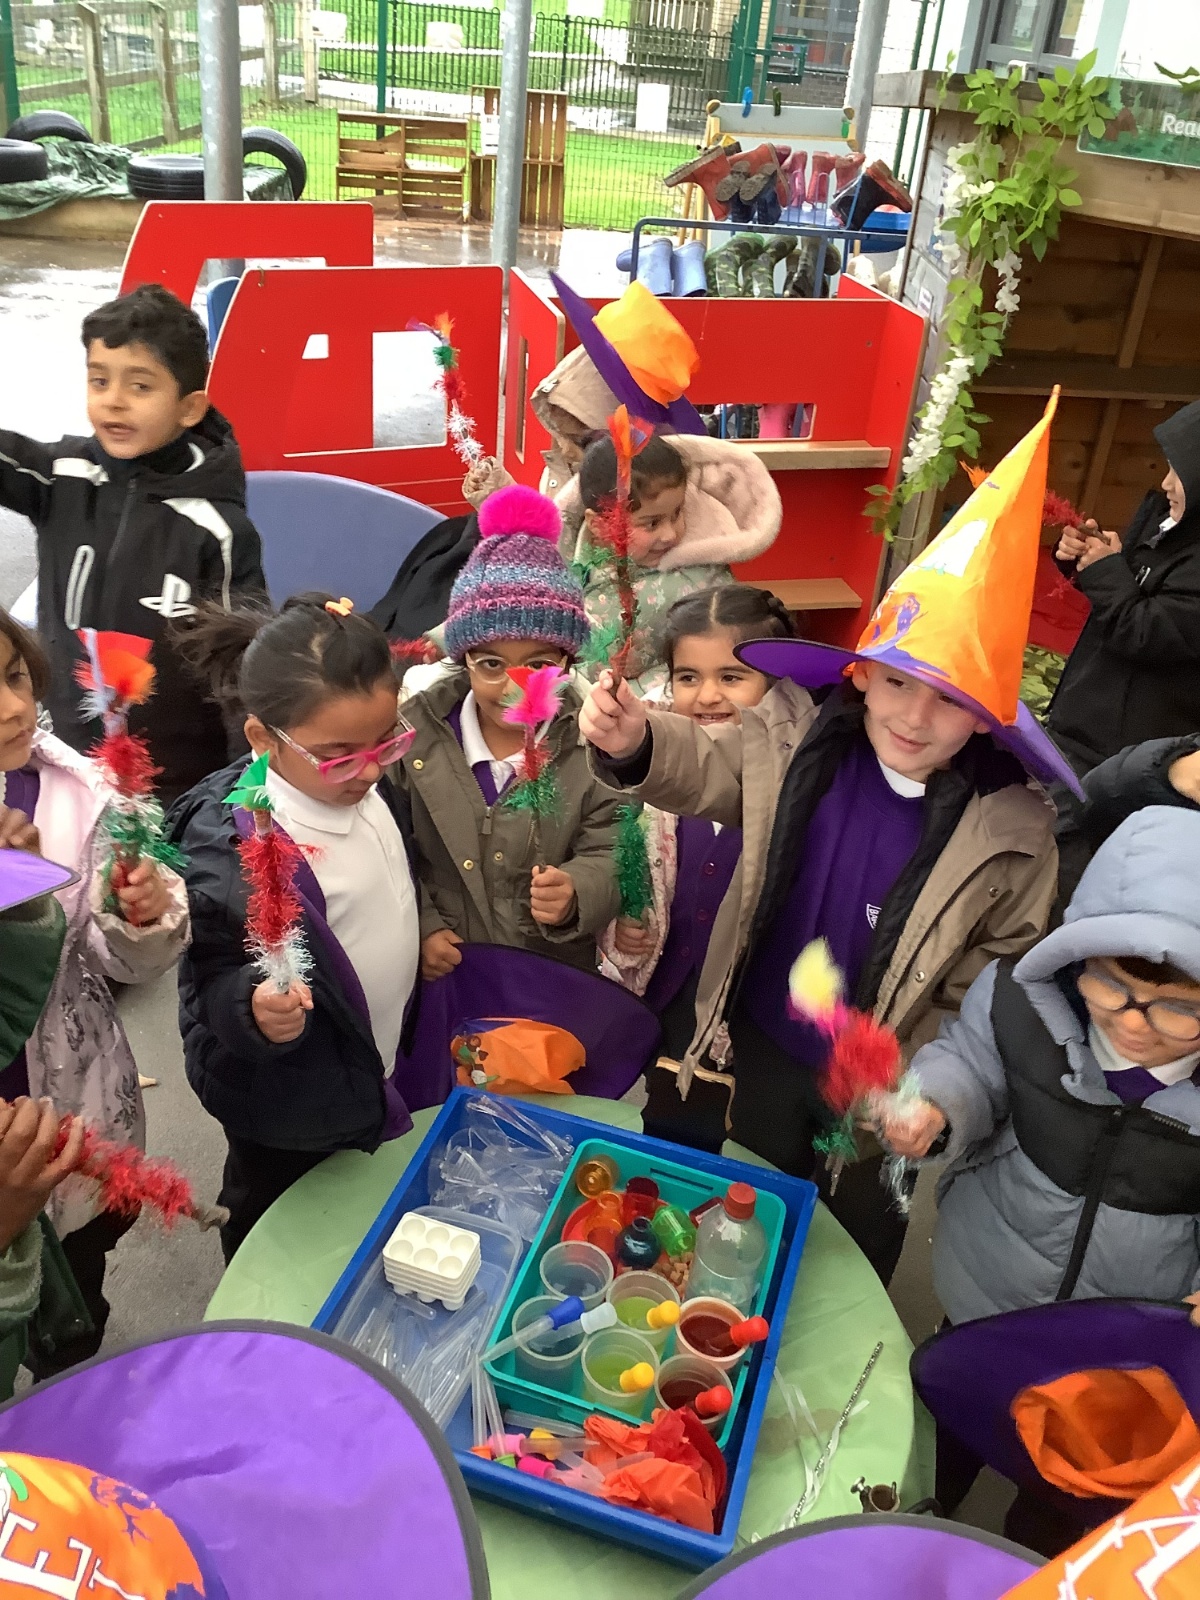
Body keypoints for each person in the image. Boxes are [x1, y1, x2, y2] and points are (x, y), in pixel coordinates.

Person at [581, 399, 1072, 1282]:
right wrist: (633, 741)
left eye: (952, 700)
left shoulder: (1014, 832)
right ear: (861, 676)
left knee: (852, 1246)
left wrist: (936, 1087)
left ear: (989, 717)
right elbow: (707, 766)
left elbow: (996, 986)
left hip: (883, 1089)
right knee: (747, 1215)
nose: (914, 717)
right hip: (764, 1042)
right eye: (898, 683)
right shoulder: (797, 742)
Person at [882, 806, 1200, 1542]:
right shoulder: (1021, 1005)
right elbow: (971, 1059)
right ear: (1078, 957)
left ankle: (1032, 1547)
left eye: (1177, 1010)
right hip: (990, 1289)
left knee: (1070, 1482)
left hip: (1118, 1337)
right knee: (945, 1425)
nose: (1133, 1022)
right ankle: (925, 1511)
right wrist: (936, 1104)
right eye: (1112, 986)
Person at [168, 594, 420, 1260]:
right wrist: (251, 1011)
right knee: (277, 1224)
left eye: (387, 741)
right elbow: (210, 972)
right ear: (262, 739)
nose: (371, 768)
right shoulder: (231, 854)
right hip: (289, 1103)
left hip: (369, 1064)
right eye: (340, 755)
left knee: (359, 1210)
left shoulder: (365, 787)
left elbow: (391, 875)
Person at [0, 606, 189, 1368]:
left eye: (14, 677)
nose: (12, 708)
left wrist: (140, 916)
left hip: (75, 1102)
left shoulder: (78, 794)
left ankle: (70, 1381)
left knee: (76, 1295)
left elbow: (120, 964)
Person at [0, 283, 266, 803]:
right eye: (99, 380)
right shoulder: (63, 475)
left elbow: (239, 667)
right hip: (69, 758)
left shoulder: (219, 528)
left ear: (189, 408)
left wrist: (244, 786)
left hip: (177, 777)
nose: (114, 400)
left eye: (140, 386)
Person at [392, 484, 622, 981]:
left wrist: (578, 889)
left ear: (567, 662)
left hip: (549, 978)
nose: (514, 687)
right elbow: (390, 848)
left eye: (537, 664)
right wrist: (423, 926)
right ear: (464, 660)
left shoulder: (595, 745)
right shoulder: (414, 738)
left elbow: (612, 846)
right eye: (492, 664)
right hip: (445, 974)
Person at [599, 586, 801, 1147]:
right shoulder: (645, 762)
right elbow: (619, 860)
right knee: (665, 1121)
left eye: (732, 677)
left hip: (745, 1012)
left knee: (736, 1138)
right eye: (688, 676)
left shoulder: (793, 784)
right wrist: (619, 921)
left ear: (778, 685)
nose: (707, 695)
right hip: (666, 992)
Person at [1047, 398, 1200, 776]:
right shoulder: (1170, 524)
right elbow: (1132, 594)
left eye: (1180, 473)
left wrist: (1106, 570)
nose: (1166, 483)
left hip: (1120, 758)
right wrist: (1089, 560)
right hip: (1082, 731)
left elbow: (1148, 631)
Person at [560, 431, 781, 689]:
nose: (670, 534)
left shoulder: (704, 579)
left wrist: (644, 687)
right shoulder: (565, 582)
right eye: (652, 523)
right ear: (599, 525)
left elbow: (725, 654)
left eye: (677, 514)